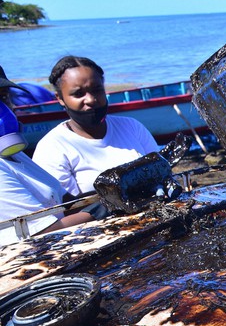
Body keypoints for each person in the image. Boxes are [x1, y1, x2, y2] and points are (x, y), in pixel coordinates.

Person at [32, 56, 159, 196]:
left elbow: (162, 173)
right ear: (60, 98)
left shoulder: (132, 127)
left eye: (97, 90)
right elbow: (68, 208)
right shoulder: (52, 148)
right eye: (78, 94)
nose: (91, 100)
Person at [0, 70, 96, 247]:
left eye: (4, 97)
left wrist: (107, 193)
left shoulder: (13, 154)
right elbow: (42, 233)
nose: (4, 111)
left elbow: (65, 201)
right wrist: (98, 211)